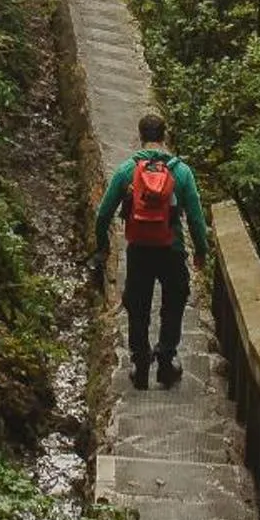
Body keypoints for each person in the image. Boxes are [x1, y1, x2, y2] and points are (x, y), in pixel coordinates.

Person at [92, 112, 211, 389]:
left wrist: (103, 246)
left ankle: (140, 362)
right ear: (165, 136)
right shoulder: (181, 171)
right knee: (174, 302)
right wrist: (201, 250)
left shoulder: (126, 171)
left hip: (139, 250)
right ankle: (167, 359)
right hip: (172, 249)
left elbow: (103, 214)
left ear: (140, 136)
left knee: (137, 305)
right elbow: (195, 217)